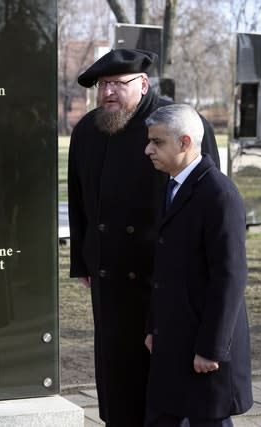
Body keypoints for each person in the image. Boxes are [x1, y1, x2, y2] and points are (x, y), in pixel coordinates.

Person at [67, 48, 220, 426]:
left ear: (144, 83)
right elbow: (79, 200)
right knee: (117, 372)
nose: (108, 93)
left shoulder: (179, 123)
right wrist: (83, 262)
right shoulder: (88, 129)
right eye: (103, 85)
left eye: (118, 84)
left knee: (163, 381)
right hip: (110, 276)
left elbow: (207, 201)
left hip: (163, 276)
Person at [143, 104, 252, 426]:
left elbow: (230, 277)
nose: (148, 149)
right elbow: (166, 269)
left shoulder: (219, 195)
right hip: (173, 339)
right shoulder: (172, 185)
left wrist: (211, 348)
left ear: (185, 142)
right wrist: (153, 327)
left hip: (204, 350)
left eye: (157, 142)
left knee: (209, 420)